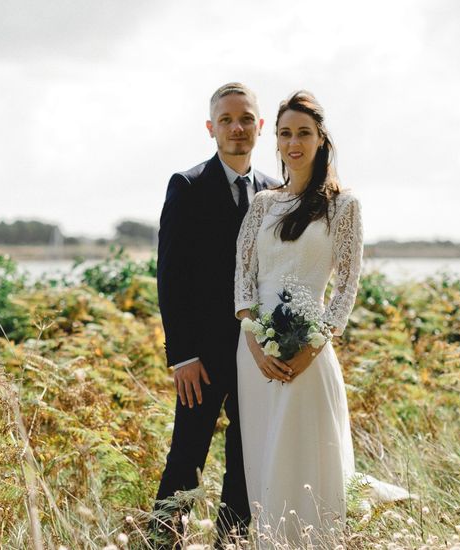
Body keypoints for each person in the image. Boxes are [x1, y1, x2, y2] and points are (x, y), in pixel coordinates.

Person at [234, 90, 405, 546]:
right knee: (264, 453)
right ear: (277, 140)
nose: (294, 142)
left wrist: (315, 344)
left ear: (320, 138)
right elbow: (243, 279)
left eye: (304, 133)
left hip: (310, 347)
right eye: (286, 133)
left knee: (306, 453)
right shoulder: (262, 205)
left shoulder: (344, 205)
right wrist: (253, 344)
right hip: (255, 352)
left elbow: (348, 283)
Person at [151, 82, 281, 548]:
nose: (237, 128)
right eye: (226, 120)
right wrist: (181, 355)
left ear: (260, 126)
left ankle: (233, 541)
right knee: (187, 456)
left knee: (247, 458)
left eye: (246, 118)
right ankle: (161, 541)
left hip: (255, 353)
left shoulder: (275, 191)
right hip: (200, 358)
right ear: (211, 128)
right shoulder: (186, 186)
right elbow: (170, 277)